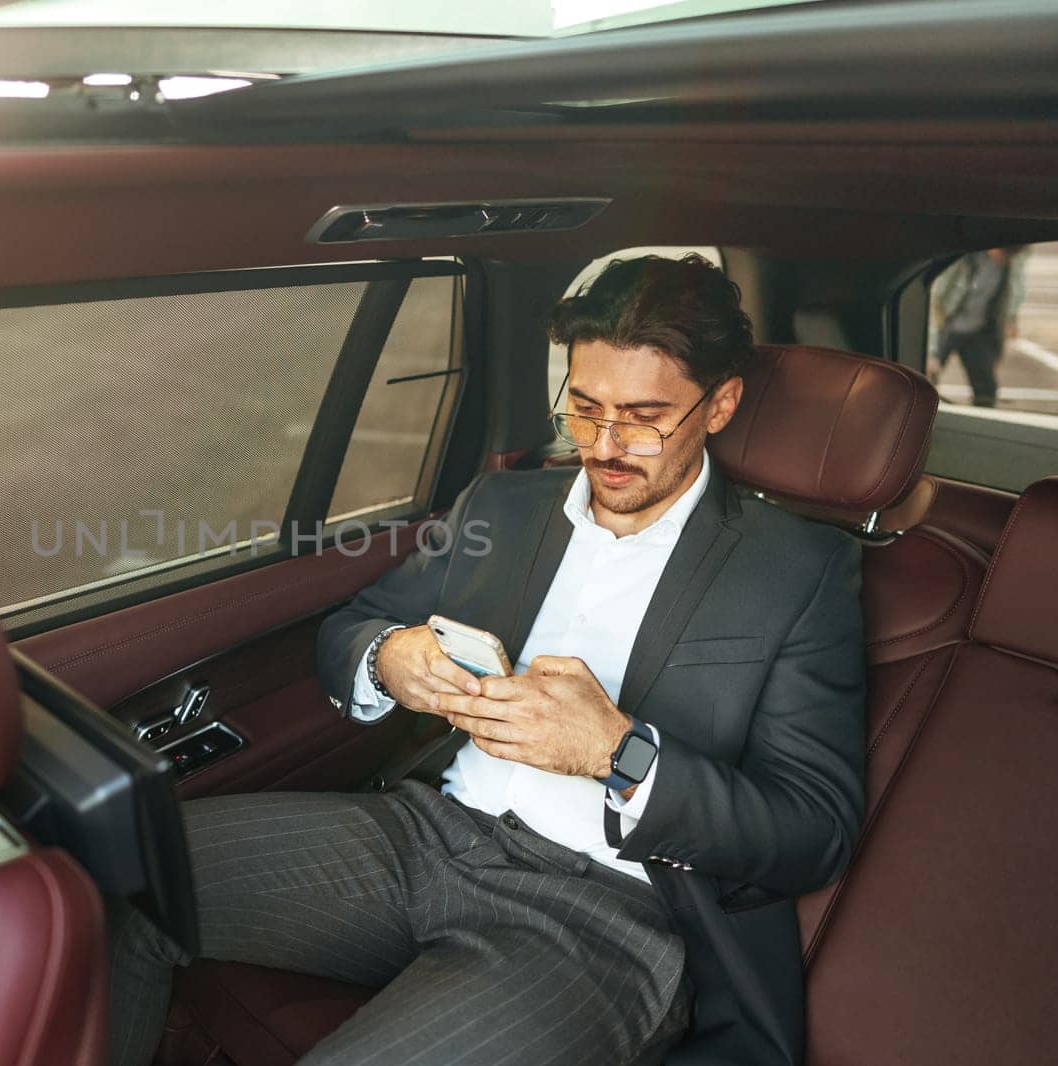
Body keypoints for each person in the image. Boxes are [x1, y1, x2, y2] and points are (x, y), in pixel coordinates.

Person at [108, 255, 865, 1066]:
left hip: (600, 918)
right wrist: (388, 660)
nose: (605, 446)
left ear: (720, 405)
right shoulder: (502, 506)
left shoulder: (797, 570)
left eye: (645, 418)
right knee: (115, 882)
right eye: (583, 408)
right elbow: (354, 628)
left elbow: (813, 829)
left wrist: (619, 753)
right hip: (425, 837)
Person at [931, 246, 1027, 407]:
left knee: (987, 388)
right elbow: (936, 300)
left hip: (976, 331)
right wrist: (931, 349)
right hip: (946, 326)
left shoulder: (1009, 266)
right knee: (927, 376)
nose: (1004, 258)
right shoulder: (963, 260)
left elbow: (1011, 297)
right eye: (1003, 253)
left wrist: (1011, 320)